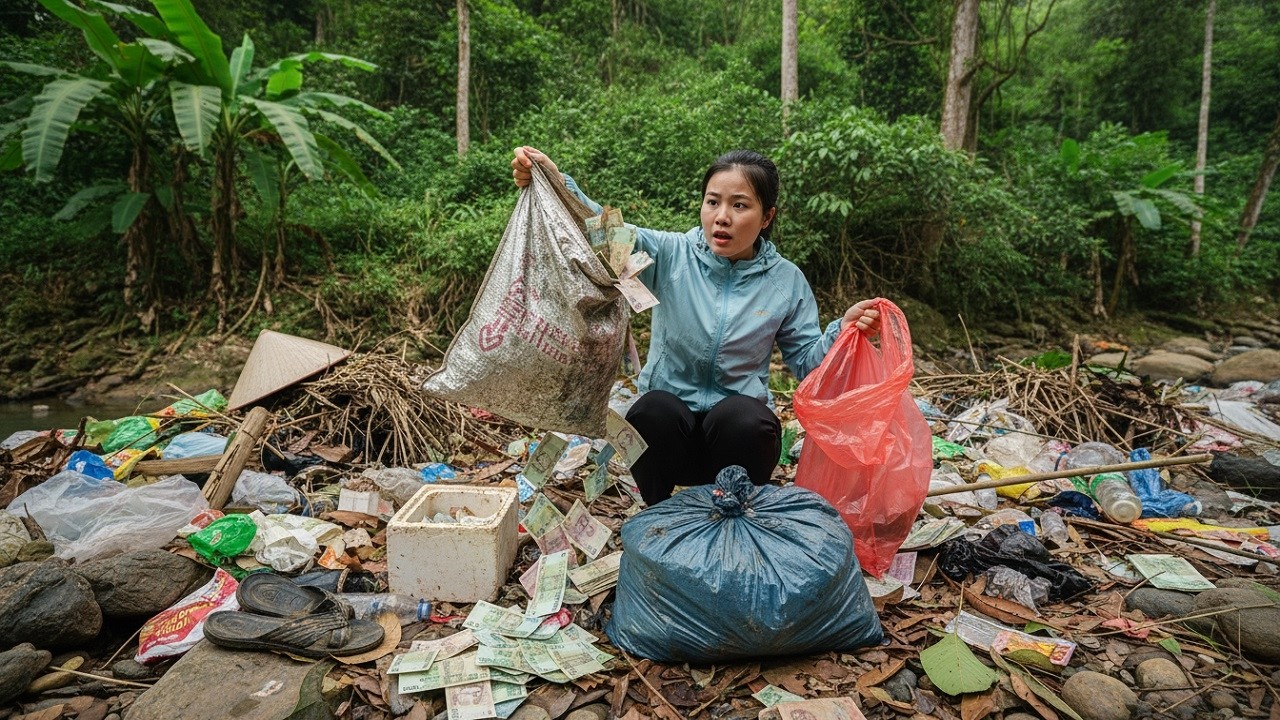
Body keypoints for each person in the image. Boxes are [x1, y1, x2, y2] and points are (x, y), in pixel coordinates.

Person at [512, 147, 881, 506]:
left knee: (746, 419)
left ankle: (734, 510)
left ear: (766, 217)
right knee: (652, 411)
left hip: (737, 450)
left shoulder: (786, 281)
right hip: (670, 446)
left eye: (740, 205)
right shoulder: (671, 254)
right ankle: (658, 512)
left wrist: (841, 333)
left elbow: (807, 363)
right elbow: (606, 231)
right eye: (712, 202)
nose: (722, 217)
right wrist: (557, 183)